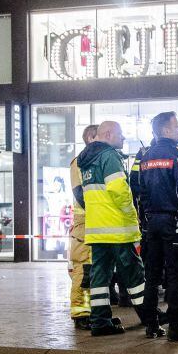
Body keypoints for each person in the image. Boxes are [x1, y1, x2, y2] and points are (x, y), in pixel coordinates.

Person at [75, 120, 147, 336]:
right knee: (134, 273)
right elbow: (118, 189)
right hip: (117, 227)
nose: (123, 138)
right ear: (107, 134)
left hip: (97, 229)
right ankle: (149, 315)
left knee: (100, 277)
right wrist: (131, 212)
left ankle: (100, 321)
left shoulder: (86, 159)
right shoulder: (108, 155)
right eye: (121, 134)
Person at [137, 111, 178, 342]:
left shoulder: (145, 156)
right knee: (175, 275)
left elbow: (141, 192)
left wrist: (145, 220)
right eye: (177, 127)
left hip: (152, 223)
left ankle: (152, 324)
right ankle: (176, 326)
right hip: (174, 222)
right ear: (165, 131)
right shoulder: (177, 154)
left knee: (152, 275)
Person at [68, 124, 98, 330]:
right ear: (90, 137)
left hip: (96, 223)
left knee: (94, 270)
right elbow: (81, 194)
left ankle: (92, 312)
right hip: (84, 225)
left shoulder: (96, 160)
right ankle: (80, 313)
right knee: (84, 269)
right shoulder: (79, 162)